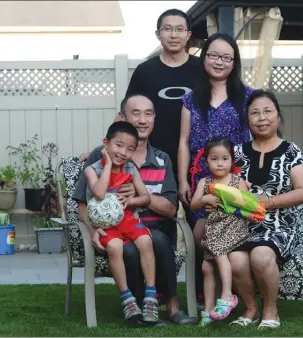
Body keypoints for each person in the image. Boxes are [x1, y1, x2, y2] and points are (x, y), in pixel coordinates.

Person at [73, 94, 197, 326]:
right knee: (131, 249)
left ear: (154, 120)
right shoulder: (100, 156)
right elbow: (82, 201)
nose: (142, 120)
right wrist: (92, 231)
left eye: (148, 114)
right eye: (135, 113)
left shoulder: (162, 159)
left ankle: (171, 306)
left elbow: (171, 209)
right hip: (111, 230)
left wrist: (140, 198)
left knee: (157, 239)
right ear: (121, 117)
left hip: (149, 227)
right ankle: (138, 309)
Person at [224, 89, 303, 329]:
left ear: (277, 115)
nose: (261, 118)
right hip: (243, 222)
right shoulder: (239, 152)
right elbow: (228, 186)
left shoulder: (290, 151)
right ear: (248, 120)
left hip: (279, 223)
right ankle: (251, 308)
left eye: (267, 111)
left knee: (261, 255)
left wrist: (268, 202)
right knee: (235, 259)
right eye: (255, 113)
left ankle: (271, 310)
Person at [178, 32, 254, 247]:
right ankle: (204, 282)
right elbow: (183, 142)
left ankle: (232, 281)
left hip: (235, 179)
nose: (219, 62)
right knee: (201, 240)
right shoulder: (190, 100)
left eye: (226, 58)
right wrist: (183, 181)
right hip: (201, 181)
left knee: (232, 239)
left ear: (234, 63)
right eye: (214, 55)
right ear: (204, 58)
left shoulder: (248, 97)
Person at [84, 121, 157, 322]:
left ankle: (150, 296)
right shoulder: (92, 170)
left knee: (146, 242)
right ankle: (127, 299)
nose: (123, 152)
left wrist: (131, 200)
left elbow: (146, 198)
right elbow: (99, 193)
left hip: (127, 219)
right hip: (106, 225)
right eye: (118, 145)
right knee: (115, 247)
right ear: (105, 144)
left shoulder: (131, 168)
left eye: (130, 148)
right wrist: (108, 166)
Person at [190, 137, 259, 326]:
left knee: (219, 254)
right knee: (206, 268)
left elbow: (247, 206)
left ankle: (227, 295)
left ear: (231, 161)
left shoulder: (237, 182)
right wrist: (205, 200)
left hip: (234, 229)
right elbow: (194, 206)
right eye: (214, 159)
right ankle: (208, 309)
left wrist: (251, 215)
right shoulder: (204, 182)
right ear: (206, 161)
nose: (220, 163)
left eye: (224, 158)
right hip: (213, 230)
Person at [125, 9, 200, 180]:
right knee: (154, 206)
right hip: (154, 158)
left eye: (179, 29)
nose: (174, 35)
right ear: (158, 34)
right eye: (168, 29)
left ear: (188, 34)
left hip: (197, 157)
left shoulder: (202, 69)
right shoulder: (145, 71)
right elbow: (127, 113)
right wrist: (105, 146)